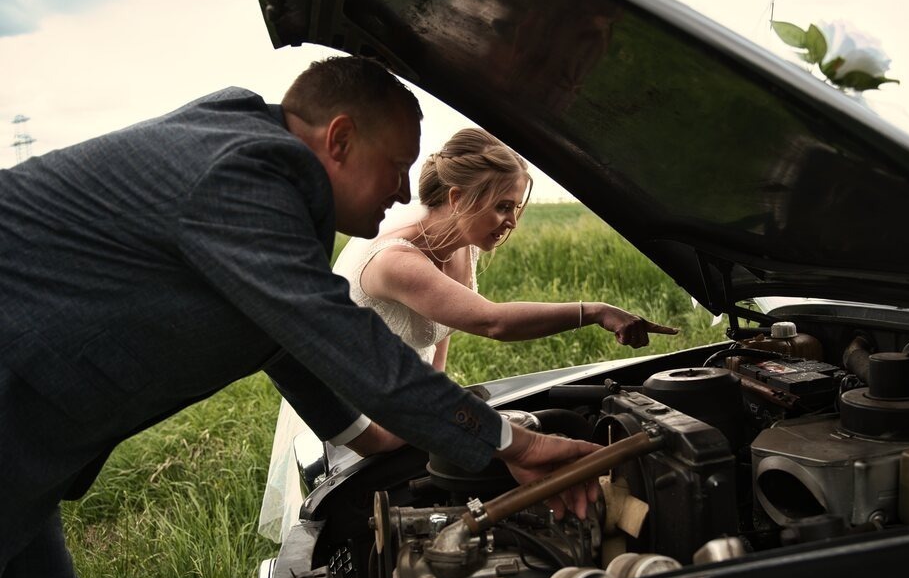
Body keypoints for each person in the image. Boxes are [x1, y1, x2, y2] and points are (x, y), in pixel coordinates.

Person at [0, 56, 601, 578]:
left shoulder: (270, 190)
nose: (403, 190)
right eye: (395, 167)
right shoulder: (243, 176)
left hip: (30, 458)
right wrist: (515, 446)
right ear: (339, 139)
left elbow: (286, 341)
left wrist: (377, 436)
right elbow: (342, 338)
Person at [259, 127, 676, 543]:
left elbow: (443, 328)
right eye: (502, 206)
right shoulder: (394, 260)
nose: (511, 221)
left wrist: (439, 395)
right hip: (362, 417)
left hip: (409, 397)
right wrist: (596, 311)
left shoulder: (460, 244)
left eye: (516, 208)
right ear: (457, 198)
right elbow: (491, 321)